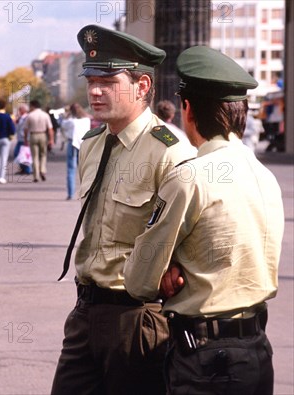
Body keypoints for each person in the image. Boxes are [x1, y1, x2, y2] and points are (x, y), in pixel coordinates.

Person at [124, 45, 284, 395]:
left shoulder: (190, 178)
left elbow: (137, 279)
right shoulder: (264, 176)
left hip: (206, 359)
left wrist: (169, 269)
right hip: (257, 350)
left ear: (188, 108)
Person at [52, 24, 196, 395]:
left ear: (142, 86)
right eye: (91, 80)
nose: (96, 91)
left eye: (109, 81)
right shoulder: (92, 144)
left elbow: (192, 228)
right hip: (85, 311)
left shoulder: (169, 152)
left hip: (136, 318)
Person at [61, 103, 90, 200]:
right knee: (84, 170)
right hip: (84, 145)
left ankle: (70, 194)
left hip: (72, 144)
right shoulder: (87, 120)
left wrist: (68, 115)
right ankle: (85, 192)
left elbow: (63, 125)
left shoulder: (70, 121)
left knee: (71, 170)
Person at [24, 100, 53, 182]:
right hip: (43, 135)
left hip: (33, 135)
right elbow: (50, 129)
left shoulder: (30, 115)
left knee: (35, 156)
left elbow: (26, 129)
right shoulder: (45, 115)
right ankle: (42, 170)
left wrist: (25, 139)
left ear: (33, 106)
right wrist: (51, 139)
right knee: (43, 154)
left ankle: (36, 176)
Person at [13, 103, 32, 175]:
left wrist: (27, 139)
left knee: (22, 154)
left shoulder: (27, 117)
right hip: (20, 138)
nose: (19, 110)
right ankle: (23, 169)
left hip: (25, 138)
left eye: (20, 109)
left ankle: (27, 169)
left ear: (24, 110)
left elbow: (27, 128)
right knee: (20, 154)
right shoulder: (20, 118)